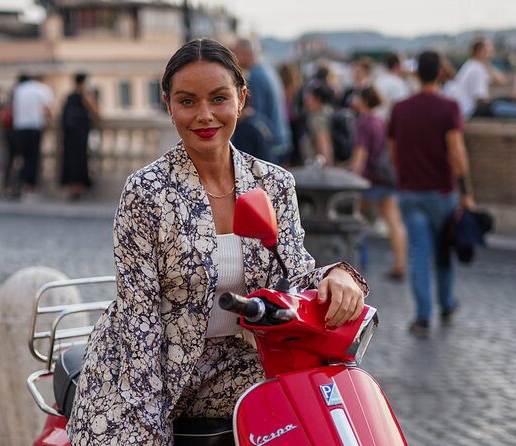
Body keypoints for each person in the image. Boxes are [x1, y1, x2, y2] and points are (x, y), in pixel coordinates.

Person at [67, 38, 368, 445]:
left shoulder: (274, 183)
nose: (204, 115)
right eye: (187, 101)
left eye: (219, 98)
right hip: (148, 364)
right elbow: (141, 318)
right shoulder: (146, 191)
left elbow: (293, 276)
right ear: (168, 104)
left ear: (242, 99)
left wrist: (338, 276)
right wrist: (148, 428)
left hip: (239, 362)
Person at [388, 50, 475, 338]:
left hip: (410, 191)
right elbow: (457, 152)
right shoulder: (449, 107)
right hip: (441, 191)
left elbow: (393, 152)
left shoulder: (400, 108)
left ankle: (422, 317)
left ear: (415, 73)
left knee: (418, 253)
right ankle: (447, 303)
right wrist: (466, 192)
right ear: (441, 73)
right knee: (443, 251)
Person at [346, 86, 407, 280]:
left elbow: (360, 155)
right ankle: (400, 263)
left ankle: (353, 264)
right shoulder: (381, 120)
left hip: (368, 180)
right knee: (393, 221)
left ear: (363, 100)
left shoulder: (363, 122)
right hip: (386, 177)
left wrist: (351, 177)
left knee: (353, 221)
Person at [233, 38, 292, 164]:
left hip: (271, 143)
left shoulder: (255, 76)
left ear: (245, 54)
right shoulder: (267, 70)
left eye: (235, 53)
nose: (234, 59)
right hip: (281, 139)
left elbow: (254, 114)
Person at [11, 73, 54, 197]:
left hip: (19, 127)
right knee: (33, 158)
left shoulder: (18, 90)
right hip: (34, 126)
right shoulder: (41, 89)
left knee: (21, 157)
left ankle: (18, 184)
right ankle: (30, 186)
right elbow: (49, 107)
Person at [60, 72, 99, 201]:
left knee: (70, 161)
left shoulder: (69, 96)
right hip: (80, 134)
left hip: (69, 135)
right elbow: (97, 112)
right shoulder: (85, 96)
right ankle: (78, 189)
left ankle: (73, 189)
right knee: (80, 161)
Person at [454, 37, 506, 119]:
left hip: (464, 109)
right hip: (469, 111)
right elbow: (479, 99)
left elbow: (500, 81)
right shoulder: (477, 69)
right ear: (478, 52)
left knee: (502, 103)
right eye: (488, 50)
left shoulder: (473, 65)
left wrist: (487, 63)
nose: (491, 53)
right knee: (500, 106)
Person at [301, 79, 335, 165]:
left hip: (318, 170)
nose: (305, 98)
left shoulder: (317, 118)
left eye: (309, 95)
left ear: (317, 99)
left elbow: (325, 152)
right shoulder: (328, 111)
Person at [374, 52, 411, 120]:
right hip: (390, 122)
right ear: (396, 66)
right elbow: (402, 107)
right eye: (403, 64)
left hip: (378, 121)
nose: (404, 67)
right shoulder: (398, 83)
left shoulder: (378, 80)